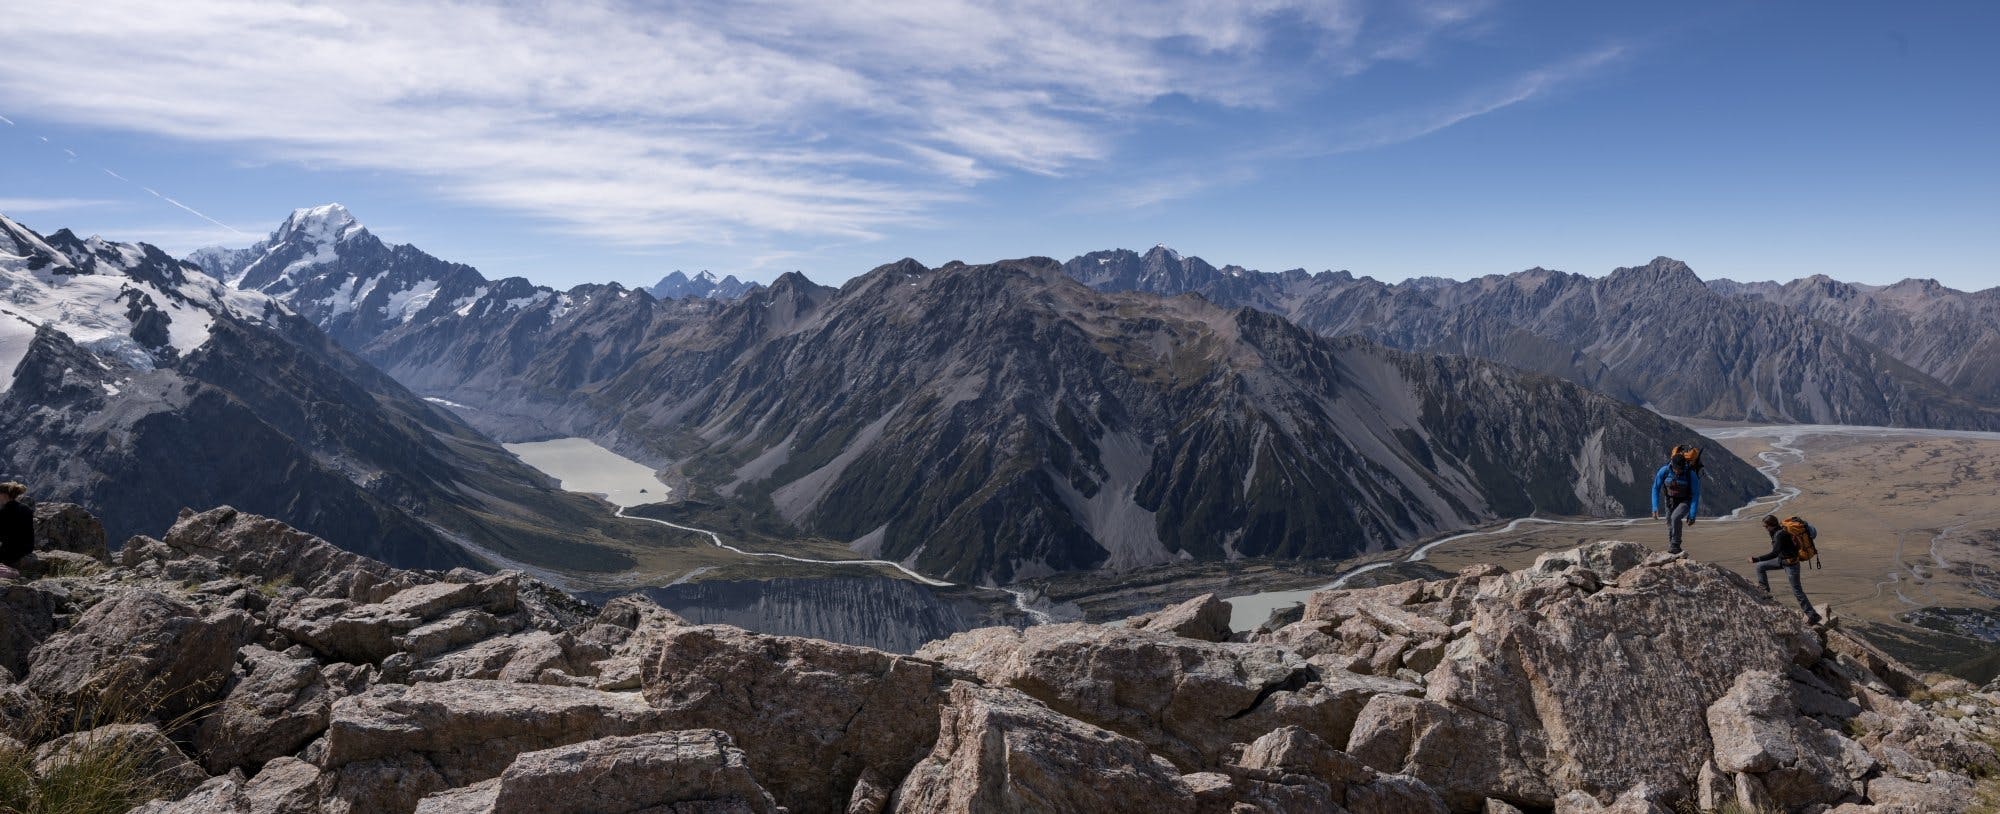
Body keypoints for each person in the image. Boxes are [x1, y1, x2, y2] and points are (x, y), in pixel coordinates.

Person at [1750, 514, 1820, 624]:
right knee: (1760, 567)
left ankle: (1812, 615)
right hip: (1782, 560)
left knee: (1797, 591)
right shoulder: (1776, 531)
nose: (1765, 528)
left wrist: (1756, 559)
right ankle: (1764, 591)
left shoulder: (1780, 535)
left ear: (1771, 525)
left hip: (1791, 564)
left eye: (1766, 526)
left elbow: (1774, 553)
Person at [1649, 445, 1702, 555]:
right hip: (1670, 500)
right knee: (1670, 524)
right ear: (1672, 465)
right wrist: (1654, 507)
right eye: (1677, 469)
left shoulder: (1690, 474)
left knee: (1675, 517)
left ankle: (1676, 545)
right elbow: (1656, 488)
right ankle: (1673, 549)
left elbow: (1695, 494)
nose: (1678, 472)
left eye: (1680, 469)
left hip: (1685, 501)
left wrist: (1692, 515)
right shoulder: (1664, 471)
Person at [0, 482, 33, 580]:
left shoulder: (3, 512)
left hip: (8, 552)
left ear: (3, 495)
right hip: (26, 549)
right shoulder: (26, 509)